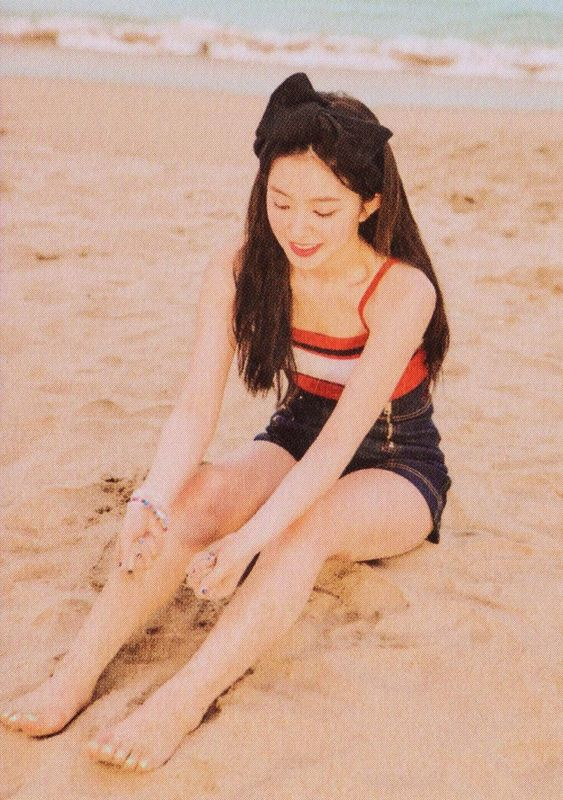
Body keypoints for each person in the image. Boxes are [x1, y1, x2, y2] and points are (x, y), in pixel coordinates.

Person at [0, 72, 451, 772]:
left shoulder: (401, 289)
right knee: (197, 495)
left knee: (302, 528)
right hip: (298, 429)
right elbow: (196, 404)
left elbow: (340, 445)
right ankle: (74, 676)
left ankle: (181, 700)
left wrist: (249, 540)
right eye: (281, 202)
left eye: (324, 210)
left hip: (394, 458)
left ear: (368, 204)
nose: (298, 228)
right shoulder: (240, 269)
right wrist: (151, 498)